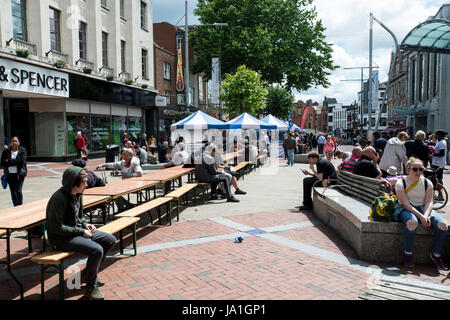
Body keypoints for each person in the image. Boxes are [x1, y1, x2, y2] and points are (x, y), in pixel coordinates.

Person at [46, 167, 117, 299]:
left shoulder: (78, 194)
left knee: (110, 240)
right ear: (74, 183)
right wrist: (81, 230)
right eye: (84, 182)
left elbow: (80, 216)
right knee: (97, 250)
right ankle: (90, 287)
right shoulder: (58, 199)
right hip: (61, 238)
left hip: (76, 232)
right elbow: (56, 228)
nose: (86, 185)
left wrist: (86, 224)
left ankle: (88, 275)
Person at [394, 157, 448, 270]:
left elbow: (429, 201)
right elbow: (405, 204)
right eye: (415, 169)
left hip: (424, 208)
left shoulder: (427, 182)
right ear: (408, 170)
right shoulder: (401, 183)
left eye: (421, 169)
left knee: (443, 226)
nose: (418, 172)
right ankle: (408, 253)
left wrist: (426, 215)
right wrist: (422, 217)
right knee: (411, 222)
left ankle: (436, 254)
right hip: (407, 209)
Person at [1, 136, 27, 207]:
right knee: (13, 193)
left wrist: (8, 161)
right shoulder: (6, 151)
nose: (14, 142)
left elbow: (22, 162)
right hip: (10, 175)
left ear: (18, 143)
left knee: (18, 191)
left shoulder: (23, 150)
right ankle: (15, 207)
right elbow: (2, 162)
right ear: (10, 143)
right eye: (13, 141)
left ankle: (20, 206)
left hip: (19, 174)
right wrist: (15, 162)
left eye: (16, 141)